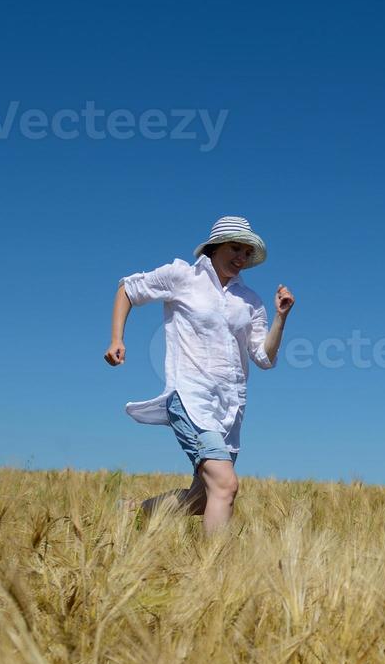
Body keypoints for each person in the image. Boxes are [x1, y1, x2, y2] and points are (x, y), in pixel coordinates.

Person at [104, 216, 295, 533]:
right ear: (215, 247)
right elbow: (128, 289)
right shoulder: (182, 276)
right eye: (236, 248)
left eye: (247, 253)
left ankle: (135, 512)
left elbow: (264, 357)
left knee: (204, 499)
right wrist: (116, 339)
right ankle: (216, 575)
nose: (241, 258)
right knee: (225, 484)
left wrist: (280, 317)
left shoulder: (250, 302)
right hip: (190, 398)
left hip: (229, 410)